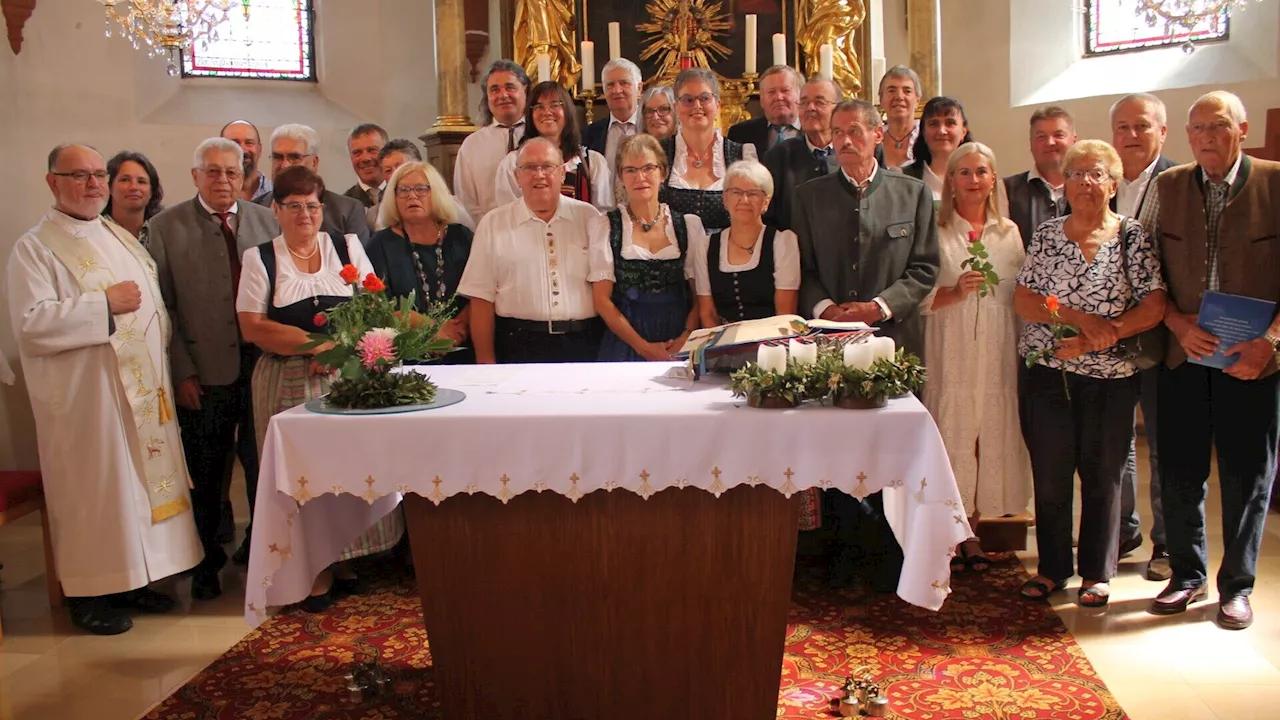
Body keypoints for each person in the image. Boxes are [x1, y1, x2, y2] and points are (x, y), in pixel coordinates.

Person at [7, 143, 202, 635]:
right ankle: (90, 593)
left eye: (99, 175)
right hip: (85, 400)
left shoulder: (116, 234)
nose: (93, 184)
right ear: (53, 182)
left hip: (137, 392)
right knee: (97, 493)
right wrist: (103, 305)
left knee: (133, 493)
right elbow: (30, 324)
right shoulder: (36, 246)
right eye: (80, 176)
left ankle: (136, 581)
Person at [237, 165, 404, 611]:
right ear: (276, 210)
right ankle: (310, 569)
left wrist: (337, 351)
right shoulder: (260, 258)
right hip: (284, 381)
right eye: (294, 206)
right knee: (301, 479)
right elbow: (253, 326)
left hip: (345, 376)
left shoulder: (346, 246)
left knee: (345, 472)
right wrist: (318, 345)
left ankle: (342, 556)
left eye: (312, 205)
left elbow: (373, 306)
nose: (305, 214)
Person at [1145, 91, 1280, 630]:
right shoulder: (1167, 185)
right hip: (1184, 356)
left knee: (1249, 477)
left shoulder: (1275, 182)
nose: (1206, 137)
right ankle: (1186, 573)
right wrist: (1176, 323)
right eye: (1197, 128)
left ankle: (1238, 586)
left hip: (1253, 360)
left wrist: (1271, 341)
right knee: (1179, 472)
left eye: (1218, 126)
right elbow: (1146, 265)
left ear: (1242, 129)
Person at [793, 100, 939, 591]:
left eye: (855, 130)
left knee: (889, 449)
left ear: (879, 134)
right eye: (837, 133)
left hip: (892, 342)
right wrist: (826, 309)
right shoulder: (810, 196)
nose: (845, 140)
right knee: (833, 448)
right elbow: (804, 270)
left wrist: (878, 307)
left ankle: (891, 556)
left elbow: (923, 268)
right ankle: (838, 553)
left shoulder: (912, 194)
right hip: (828, 343)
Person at [1014, 140, 1167, 608]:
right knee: (1052, 473)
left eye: (1096, 173)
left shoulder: (1132, 235)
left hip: (1111, 376)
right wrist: (1082, 322)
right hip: (1048, 373)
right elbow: (1024, 300)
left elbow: (1155, 303)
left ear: (1114, 183)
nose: (1085, 181)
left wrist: (1109, 333)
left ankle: (1098, 574)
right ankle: (1053, 568)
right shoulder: (1047, 235)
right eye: (1077, 172)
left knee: (1102, 474)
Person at [145, 137, 279, 596]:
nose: (224, 180)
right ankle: (206, 560)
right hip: (203, 370)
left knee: (262, 464)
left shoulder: (266, 220)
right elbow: (163, 308)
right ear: (195, 176)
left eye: (232, 172)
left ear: (244, 176)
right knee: (208, 470)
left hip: (263, 365)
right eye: (214, 171)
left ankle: (265, 550)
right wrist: (182, 370)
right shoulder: (165, 226)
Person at [922, 142, 1031, 574]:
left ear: (993, 179)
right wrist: (953, 291)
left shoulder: (1010, 233)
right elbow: (918, 293)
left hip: (997, 346)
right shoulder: (935, 228)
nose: (972, 180)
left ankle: (976, 529)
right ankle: (950, 532)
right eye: (962, 172)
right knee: (952, 434)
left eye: (980, 171)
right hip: (950, 348)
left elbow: (1022, 293)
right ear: (950, 180)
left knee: (988, 434)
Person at [1110, 92, 1178, 581]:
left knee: (1165, 441)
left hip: (1163, 334)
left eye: (1142, 126)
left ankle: (1168, 544)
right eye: (1123, 127)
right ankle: (1122, 529)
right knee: (1116, 443)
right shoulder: (1101, 182)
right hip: (1108, 340)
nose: (1132, 136)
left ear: (1162, 132)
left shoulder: (1179, 184)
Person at [459, 137, 604, 364]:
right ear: (517, 177)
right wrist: (485, 362)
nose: (539, 175)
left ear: (562, 173)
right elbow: (481, 301)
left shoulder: (590, 218)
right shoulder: (493, 223)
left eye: (547, 166)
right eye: (529, 168)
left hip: (584, 344)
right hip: (518, 345)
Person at [589, 134, 702, 361]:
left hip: (679, 340)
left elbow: (700, 295)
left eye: (648, 168)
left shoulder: (688, 225)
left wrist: (686, 337)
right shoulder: (607, 226)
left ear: (663, 173)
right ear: (621, 176)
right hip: (626, 342)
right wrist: (643, 348)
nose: (640, 177)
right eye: (630, 170)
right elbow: (602, 301)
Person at [366, 161, 474, 364]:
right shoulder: (380, 244)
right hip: (408, 353)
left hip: (463, 345)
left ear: (436, 193)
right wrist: (432, 328)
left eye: (421, 189)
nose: (412, 196)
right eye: (403, 190)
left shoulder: (461, 236)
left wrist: (457, 330)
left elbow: (480, 291)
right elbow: (379, 308)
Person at [693, 159, 800, 324]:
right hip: (723, 344)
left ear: (766, 202)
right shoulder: (706, 246)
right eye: (736, 192)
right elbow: (708, 313)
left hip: (769, 342)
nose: (744, 200)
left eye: (753, 193)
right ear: (725, 198)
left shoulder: (782, 243)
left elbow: (785, 314)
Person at [659, 68, 758, 233]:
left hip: (726, 255)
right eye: (688, 100)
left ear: (718, 104)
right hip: (672, 255)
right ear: (676, 107)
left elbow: (752, 217)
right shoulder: (658, 153)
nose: (697, 106)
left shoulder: (742, 155)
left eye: (704, 98)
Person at [494, 82, 612, 212]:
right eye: (539, 107)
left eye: (555, 105)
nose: (547, 112)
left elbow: (601, 216)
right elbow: (510, 215)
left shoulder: (592, 163)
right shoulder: (513, 163)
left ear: (567, 111)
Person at [255, 123, 371, 244]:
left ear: (314, 163)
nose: (284, 165)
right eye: (278, 157)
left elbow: (358, 261)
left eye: (294, 157)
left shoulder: (346, 211)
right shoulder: (252, 210)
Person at [454, 60, 530, 225]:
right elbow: (466, 201)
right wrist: (491, 230)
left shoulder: (540, 136)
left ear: (524, 90)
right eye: (495, 90)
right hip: (488, 233)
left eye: (510, 87)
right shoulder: (472, 145)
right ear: (487, 97)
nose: (503, 95)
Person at [762, 76, 841, 231]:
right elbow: (768, 217)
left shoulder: (850, 151)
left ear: (837, 108)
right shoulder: (779, 156)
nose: (810, 108)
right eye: (804, 102)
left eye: (819, 102)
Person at [1002, 106, 1078, 249]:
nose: (1050, 142)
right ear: (1031, 143)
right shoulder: (1006, 190)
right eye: (1041, 136)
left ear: (1074, 140)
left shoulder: (1090, 188)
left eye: (1058, 135)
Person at [902, 96, 974, 201]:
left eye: (950, 123)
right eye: (933, 124)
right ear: (923, 132)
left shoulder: (978, 177)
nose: (941, 131)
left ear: (963, 131)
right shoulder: (904, 177)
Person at [727, 65, 804, 154]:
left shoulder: (817, 131)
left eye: (785, 90)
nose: (778, 97)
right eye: (771, 92)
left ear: (801, 96)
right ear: (762, 100)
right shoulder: (740, 133)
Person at [584, 58, 643, 174]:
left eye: (624, 83)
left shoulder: (652, 128)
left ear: (639, 88)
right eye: (610, 85)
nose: (617, 90)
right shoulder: (589, 134)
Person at [104, 150, 164, 239]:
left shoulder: (163, 231)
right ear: (109, 187)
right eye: (125, 180)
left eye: (141, 181)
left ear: (152, 191)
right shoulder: (94, 231)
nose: (134, 187)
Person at [344, 123, 389, 228]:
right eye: (357, 152)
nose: (365, 158)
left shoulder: (404, 197)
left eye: (372, 150)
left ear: (387, 153)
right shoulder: (344, 207)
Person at [876, 65, 922, 169]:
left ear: (917, 100)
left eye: (907, 91)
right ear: (881, 99)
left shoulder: (927, 137)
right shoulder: (873, 139)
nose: (899, 97)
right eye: (891, 90)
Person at [221, 120, 272, 204]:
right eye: (235, 143)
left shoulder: (278, 196)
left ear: (260, 149)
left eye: (249, 143)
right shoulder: (210, 198)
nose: (242, 150)